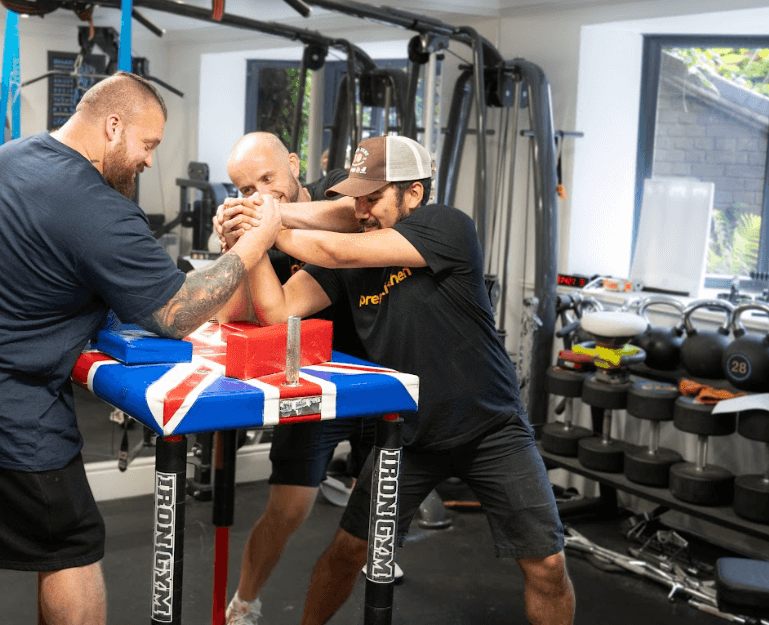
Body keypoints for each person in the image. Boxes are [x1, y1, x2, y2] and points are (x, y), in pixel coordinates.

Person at [0, 72, 282, 625]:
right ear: (113, 127)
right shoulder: (93, 203)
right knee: (72, 547)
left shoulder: (8, 156)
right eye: (147, 144)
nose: (150, 160)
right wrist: (259, 238)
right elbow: (177, 314)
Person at [227, 135, 575, 625]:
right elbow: (278, 311)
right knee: (348, 552)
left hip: (492, 429)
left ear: (413, 194)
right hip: (409, 436)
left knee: (547, 564)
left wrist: (264, 225)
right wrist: (251, 243)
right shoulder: (349, 259)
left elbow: (338, 250)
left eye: (374, 198)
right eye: (358, 198)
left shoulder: (447, 227)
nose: (361, 210)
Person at [214, 133, 376, 625]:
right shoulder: (261, 231)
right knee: (287, 510)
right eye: (246, 188)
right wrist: (241, 247)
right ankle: (244, 601)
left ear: (293, 163)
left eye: (268, 178)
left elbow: (355, 216)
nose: (260, 194)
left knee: (370, 525)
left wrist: (270, 219)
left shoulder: (336, 193)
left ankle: (376, 556)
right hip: (314, 382)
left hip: (380, 382)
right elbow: (231, 315)